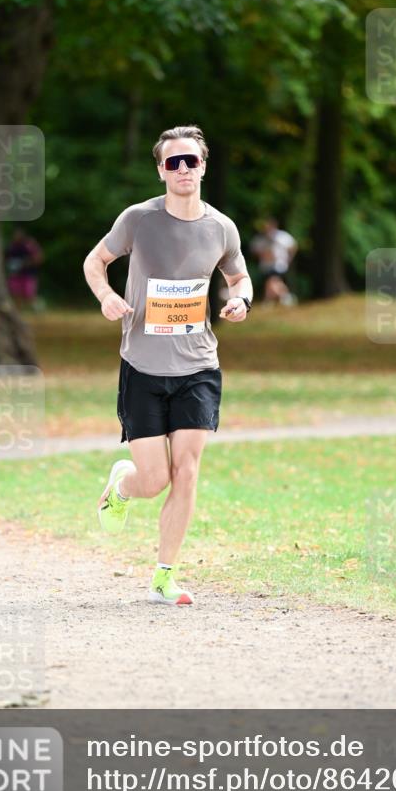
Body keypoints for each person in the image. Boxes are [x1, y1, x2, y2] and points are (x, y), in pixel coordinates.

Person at [83, 124, 252, 606]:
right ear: (160, 170)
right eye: (173, 162)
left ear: (203, 166)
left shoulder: (221, 227)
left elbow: (238, 275)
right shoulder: (139, 220)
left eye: (191, 161)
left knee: (188, 470)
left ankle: (164, 575)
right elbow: (95, 261)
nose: (182, 169)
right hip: (142, 365)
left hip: (198, 365)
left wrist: (241, 300)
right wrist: (106, 297)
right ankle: (121, 485)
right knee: (153, 480)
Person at [250, 217, 297, 305]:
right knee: (272, 282)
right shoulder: (260, 238)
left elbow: (293, 246)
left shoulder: (282, 236)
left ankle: (275, 300)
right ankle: (283, 297)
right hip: (265, 265)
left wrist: (289, 259)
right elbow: (254, 250)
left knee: (272, 280)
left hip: (279, 264)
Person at [5, 227, 44, 309]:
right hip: (15, 274)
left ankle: (39, 309)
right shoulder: (12, 246)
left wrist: (26, 263)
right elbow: (6, 258)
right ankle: (18, 312)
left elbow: (39, 257)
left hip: (28, 274)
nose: (16, 236)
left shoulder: (29, 245)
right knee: (15, 294)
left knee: (29, 296)